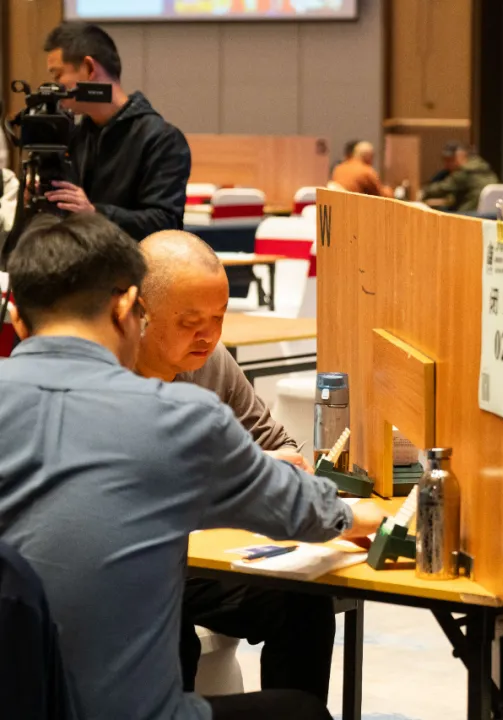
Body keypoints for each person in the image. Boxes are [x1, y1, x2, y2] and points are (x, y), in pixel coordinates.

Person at [0, 212, 386, 719]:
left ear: (17, 318)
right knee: (299, 712)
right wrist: (367, 517)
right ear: (129, 308)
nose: (206, 336)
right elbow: (298, 504)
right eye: (188, 321)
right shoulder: (177, 418)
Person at [137, 230, 336, 700]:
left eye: (219, 317)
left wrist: (278, 470)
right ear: (138, 312)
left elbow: (279, 447)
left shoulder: (211, 360)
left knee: (302, 600)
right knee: (165, 628)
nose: (208, 335)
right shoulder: (104, 374)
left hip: (206, 561)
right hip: (136, 567)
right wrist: (246, 474)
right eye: (190, 321)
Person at [43, 22, 191, 240]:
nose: (54, 87)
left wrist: (95, 213)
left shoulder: (161, 139)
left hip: (133, 261)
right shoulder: (74, 136)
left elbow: (165, 223)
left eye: (57, 76)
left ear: (89, 68)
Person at [420, 141, 499, 212]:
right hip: (491, 215)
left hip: (469, 214)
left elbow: (441, 189)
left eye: (451, 160)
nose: (447, 165)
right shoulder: (484, 168)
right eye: (445, 160)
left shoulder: (464, 172)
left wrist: (423, 192)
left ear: (462, 156)